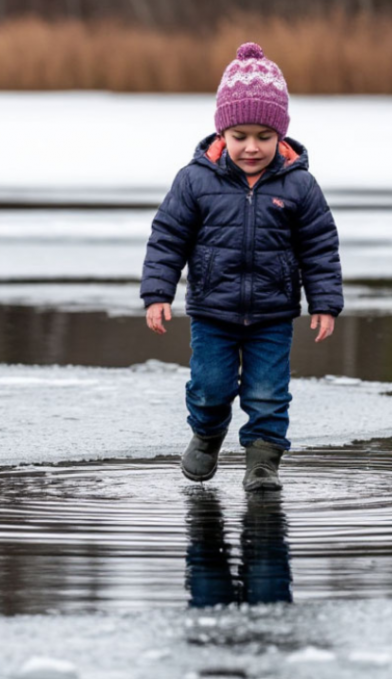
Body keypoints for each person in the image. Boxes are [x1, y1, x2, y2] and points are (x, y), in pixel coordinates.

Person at [140, 42, 343, 492]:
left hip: (272, 314)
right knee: (210, 386)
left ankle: (263, 462)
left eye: (264, 137)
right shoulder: (195, 180)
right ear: (222, 133)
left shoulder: (300, 185)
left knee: (268, 393)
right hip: (213, 311)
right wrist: (158, 293)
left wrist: (324, 303)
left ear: (281, 136)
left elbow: (320, 246)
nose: (252, 148)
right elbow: (168, 236)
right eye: (240, 136)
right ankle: (208, 435)